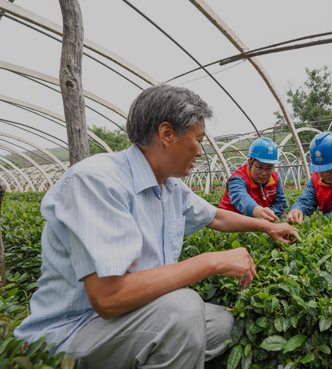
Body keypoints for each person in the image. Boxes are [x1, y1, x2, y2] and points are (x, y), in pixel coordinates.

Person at [14, 85, 298, 369]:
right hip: (73, 334)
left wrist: (268, 228)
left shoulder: (170, 187)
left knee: (221, 324)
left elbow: (216, 217)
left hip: (133, 316)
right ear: (167, 134)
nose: (200, 152)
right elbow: (109, 297)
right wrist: (211, 262)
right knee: (182, 311)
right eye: (198, 140)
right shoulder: (97, 182)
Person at [218, 137, 287, 222]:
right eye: (259, 167)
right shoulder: (238, 179)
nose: (264, 173)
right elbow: (240, 197)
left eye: (269, 168)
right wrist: (257, 211)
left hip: (257, 223)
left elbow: (280, 202)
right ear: (250, 162)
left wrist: (269, 214)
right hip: (229, 223)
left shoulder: (275, 178)